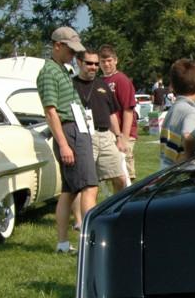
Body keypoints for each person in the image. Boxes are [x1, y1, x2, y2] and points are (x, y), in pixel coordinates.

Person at [37, 26, 97, 254]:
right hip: (68, 131)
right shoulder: (48, 73)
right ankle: (89, 243)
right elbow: (51, 112)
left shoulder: (62, 69)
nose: (74, 54)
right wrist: (63, 144)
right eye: (70, 49)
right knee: (89, 187)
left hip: (76, 129)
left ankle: (63, 244)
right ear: (57, 46)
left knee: (70, 190)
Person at [72, 49, 129, 195]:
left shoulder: (102, 84)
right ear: (79, 62)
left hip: (105, 137)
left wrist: (119, 137)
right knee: (84, 184)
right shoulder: (71, 85)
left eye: (96, 64)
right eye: (89, 63)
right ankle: (81, 218)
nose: (94, 67)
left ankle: (116, 210)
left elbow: (112, 114)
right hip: (82, 138)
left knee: (121, 178)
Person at [99, 45, 139, 181]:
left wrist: (124, 138)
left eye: (109, 60)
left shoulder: (121, 80)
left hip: (123, 134)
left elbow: (128, 109)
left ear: (116, 60)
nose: (106, 64)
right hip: (109, 135)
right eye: (103, 61)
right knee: (114, 175)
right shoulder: (100, 81)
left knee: (126, 175)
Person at [159, 58, 195, 169]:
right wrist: (190, 155)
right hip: (182, 173)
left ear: (173, 87)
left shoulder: (174, 107)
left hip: (166, 168)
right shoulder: (191, 111)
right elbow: (187, 135)